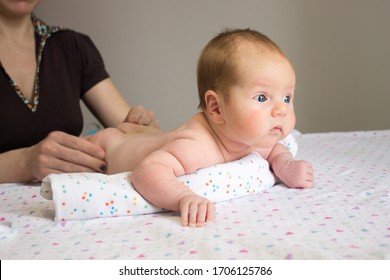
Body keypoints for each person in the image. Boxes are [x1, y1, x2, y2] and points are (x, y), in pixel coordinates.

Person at [85, 28, 314, 227]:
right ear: (216, 108)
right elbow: (146, 172)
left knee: (155, 136)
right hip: (111, 146)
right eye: (262, 98)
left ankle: (136, 127)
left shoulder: (252, 137)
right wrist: (183, 197)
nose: (281, 110)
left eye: (286, 98)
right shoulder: (197, 144)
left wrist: (286, 166)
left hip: (151, 136)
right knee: (103, 142)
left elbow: (273, 149)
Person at [0, 0, 159, 183]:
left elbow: (132, 134)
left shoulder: (72, 46)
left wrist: (138, 128)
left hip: (63, 205)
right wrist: (24, 162)